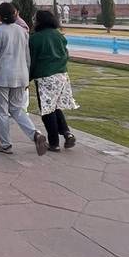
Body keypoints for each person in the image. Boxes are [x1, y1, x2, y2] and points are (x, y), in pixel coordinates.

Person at [0, 2, 47, 156]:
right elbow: (27, 57)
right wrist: (27, 77)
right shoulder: (23, 32)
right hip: (20, 75)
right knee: (17, 109)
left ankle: (5, 144)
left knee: (1, 110)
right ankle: (35, 134)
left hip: (3, 76)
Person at [29, 10, 78, 151]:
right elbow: (66, 54)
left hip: (46, 78)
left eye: (35, 19)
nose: (34, 21)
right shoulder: (59, 36)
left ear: (40, 21)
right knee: (55, 106)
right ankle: (67, 133)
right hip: (61, 76)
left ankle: (54, 143)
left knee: (47, 110)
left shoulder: (35, 38)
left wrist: (27, 78)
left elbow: (32, 61)